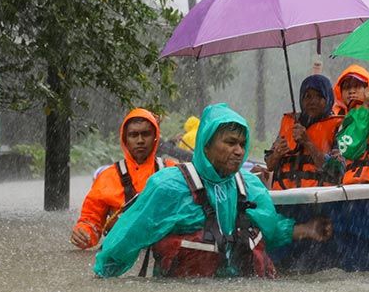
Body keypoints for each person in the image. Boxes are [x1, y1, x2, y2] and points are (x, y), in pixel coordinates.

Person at [93, 104, 332, 278]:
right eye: (230, 143)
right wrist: (102, 279)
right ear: (206, 145)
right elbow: (126, 239)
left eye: (242, 144)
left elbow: (270, 230)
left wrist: (307, 230)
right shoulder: (168, 186)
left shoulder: (250, 187)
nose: (239, 151)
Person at [70, 108, 162, 250]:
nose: (140, 140)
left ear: (155, 136)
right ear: (125, 139)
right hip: (120, 254)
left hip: (159, 253)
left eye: (146, 134)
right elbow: (91, 219)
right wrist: (84, 233)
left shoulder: (173, 172)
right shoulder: (107, 177)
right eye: (133, 135)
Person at [265, 74, 344, 189]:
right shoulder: (289, 123)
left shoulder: (337, 126)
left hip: (319, 199)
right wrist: (277, 154)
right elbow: (270, 165)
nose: (313, 101)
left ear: (329, 99)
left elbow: (337, 170)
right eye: (307, 96)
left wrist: (307, 142)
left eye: (319, 96)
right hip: (284, 197)